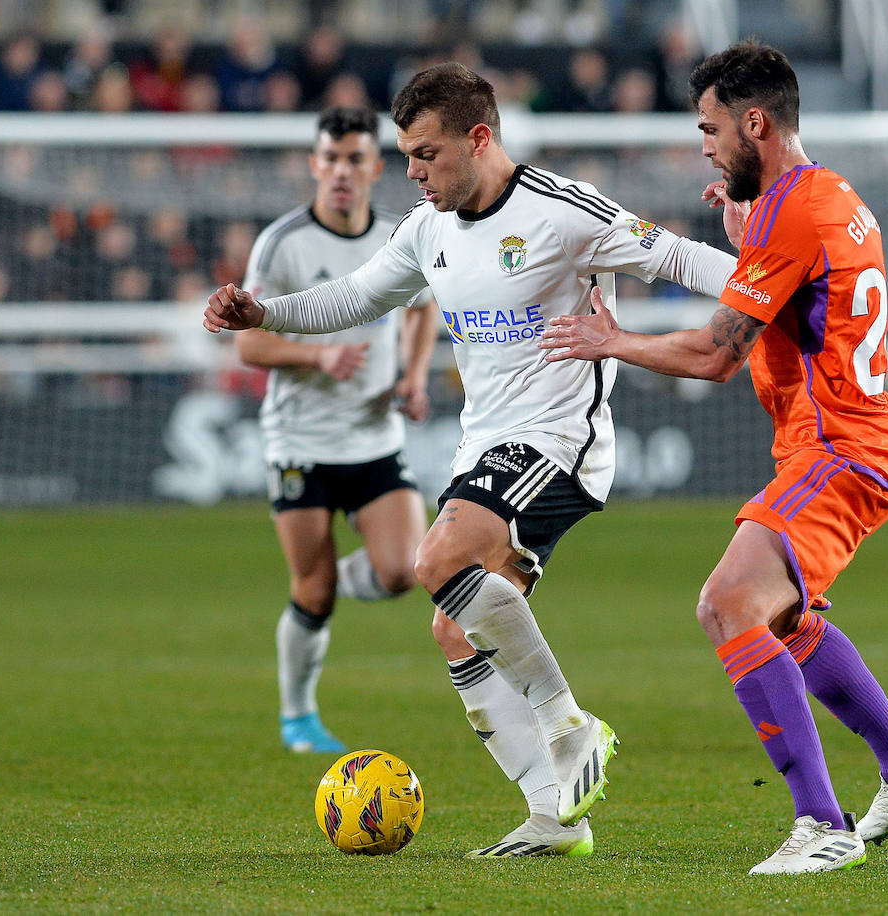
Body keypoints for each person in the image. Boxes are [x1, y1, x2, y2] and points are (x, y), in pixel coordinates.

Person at [204, 63, 737, 858]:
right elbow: (354, 297)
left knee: (437, 555)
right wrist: (264, 312)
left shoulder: (564, 212)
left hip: (560, 443)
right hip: (486, 447)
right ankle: (555, 817)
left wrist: (770, 284)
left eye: (425, 154)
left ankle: (569, 723)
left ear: (479, 138)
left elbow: (696, 265)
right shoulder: (427, 228)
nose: (412, 172)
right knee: (456, 631)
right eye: (406, 156)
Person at [540, 41, 888, 875]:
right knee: (785, 617)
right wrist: (747, 233)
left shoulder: (790, 213)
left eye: (710, 128)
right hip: (849, 441)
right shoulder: (827, 196)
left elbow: (716, 356)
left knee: (729, 602)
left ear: (755, 122)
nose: (705, 145)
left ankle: (822, 824)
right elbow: (792, 297)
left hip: (842, 447)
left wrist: (612, 339)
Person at [235, 107, 440, 754]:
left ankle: (329, 580)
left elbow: (423, 305)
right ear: (314, 165)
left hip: (374, 437)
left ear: (378, 168)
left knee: (407, 569)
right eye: (331, 158)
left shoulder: (397, 233)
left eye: (355, 159)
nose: (342, 172)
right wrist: (316, 354)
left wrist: (412, 376)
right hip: (300, 442)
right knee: (313, 592)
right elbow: (249, 348)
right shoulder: (283, 243)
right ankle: (297, 718)